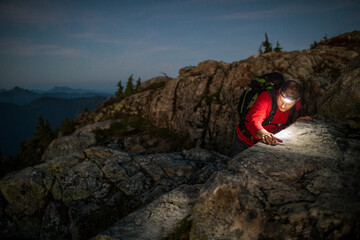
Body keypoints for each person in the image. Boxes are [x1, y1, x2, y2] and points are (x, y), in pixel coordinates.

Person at [231, 79, 312, 156]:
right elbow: (254, 120)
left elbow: (286, 121)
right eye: (282, 100)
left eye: (288, 104)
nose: (283, 106)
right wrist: (264, 134)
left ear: (297, 100)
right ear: (280, 91)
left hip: (267, 142)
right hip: (245, 141)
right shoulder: (266, 98)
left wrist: (295, 123)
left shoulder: (296, 106)